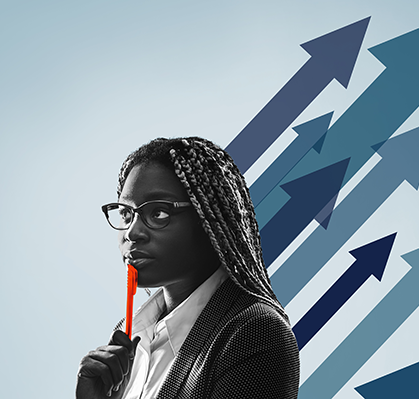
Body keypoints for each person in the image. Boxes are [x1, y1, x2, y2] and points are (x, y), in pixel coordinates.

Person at [77, 137, 300, 399]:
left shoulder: (256, 333)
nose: (132, 232)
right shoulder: (132, 336)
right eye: (126, 214)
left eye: (158, 213)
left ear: (210, 219)